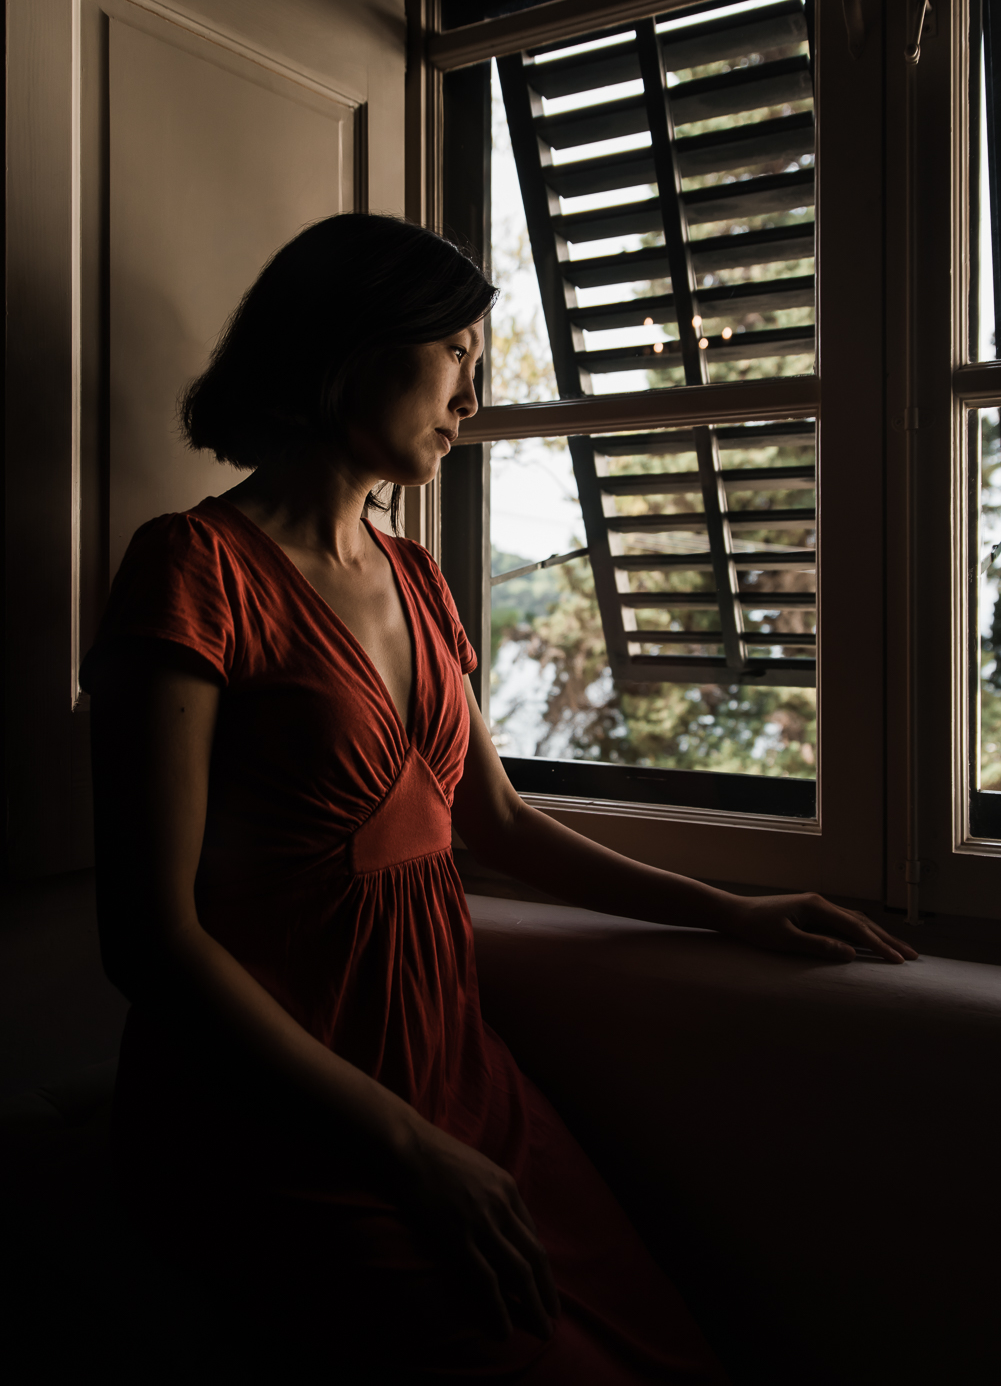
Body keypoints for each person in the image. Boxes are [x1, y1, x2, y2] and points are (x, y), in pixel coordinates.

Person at [82, 214, 916, 1383]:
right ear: (351, 343)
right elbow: (150, 938)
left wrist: (732, 911)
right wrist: (405, 1148)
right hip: (284, 1113)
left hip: (457, 1077)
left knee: (661, 1347)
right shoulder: (191, 568)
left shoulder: (418, 579)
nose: (475, 394)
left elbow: (502, 824)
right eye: (458, 351)